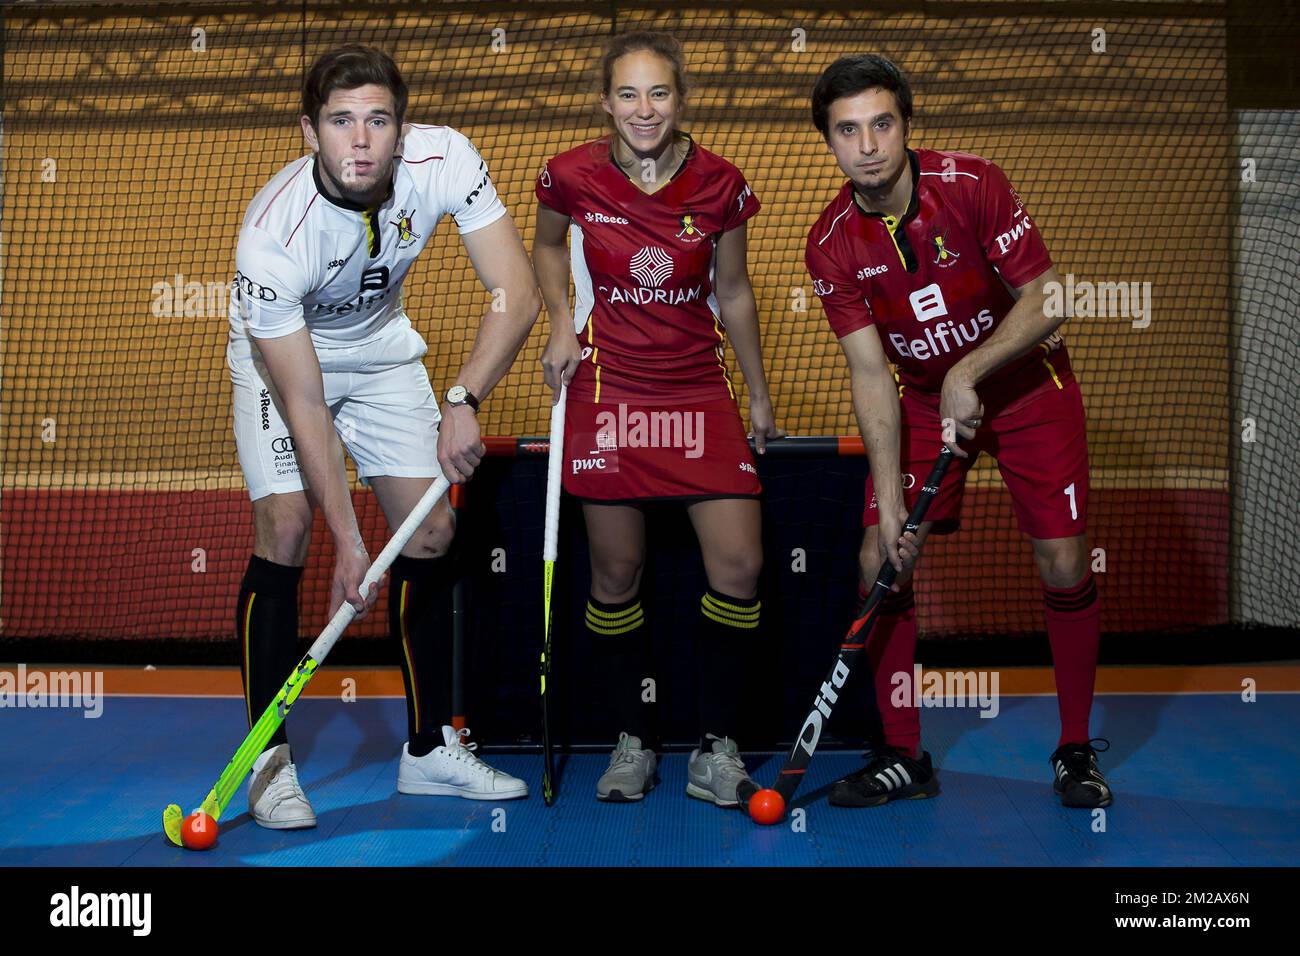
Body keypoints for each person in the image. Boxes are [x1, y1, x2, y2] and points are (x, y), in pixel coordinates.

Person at [227, 45, 540, 829]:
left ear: (402, 131)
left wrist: (465, 396)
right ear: (310, 133)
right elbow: (303, 402)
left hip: (380, 343)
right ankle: (269, 761)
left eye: (377, 119)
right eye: (340, 122)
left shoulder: (447, 158)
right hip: (283, 358)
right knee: (289, 525)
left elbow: (517, 291)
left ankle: (430, 750)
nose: (360, 140)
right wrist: (348, 540)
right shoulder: (272, 235)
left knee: (433, 531)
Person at [805, 54, 1110, 809]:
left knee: (1063, 557)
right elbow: (870, 375)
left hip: (1028, 386)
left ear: (907, 126)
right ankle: (904, 754)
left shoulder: (974, 185)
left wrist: (968, 373)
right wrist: (889, 497)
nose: (868, 144)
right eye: (848, 130)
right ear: (831, 143)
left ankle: (1074, 747)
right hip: (915, 400)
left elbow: (1048, 298)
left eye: (882, 123)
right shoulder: (830, 244)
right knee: (880, 556)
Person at [533, 31, 783, 807]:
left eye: (660, 94)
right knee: (615, 573)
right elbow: (543, 249)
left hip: (698, 392)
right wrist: (558, 321)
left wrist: (759, 390)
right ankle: (631, 738)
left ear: (682, 100)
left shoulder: (722, 184)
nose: (645, 110)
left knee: (739, 568)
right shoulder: (569, 174)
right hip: (611, 393)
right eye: (629, 95)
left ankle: (715, 748)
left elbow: (734, 291)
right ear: (606, 102)